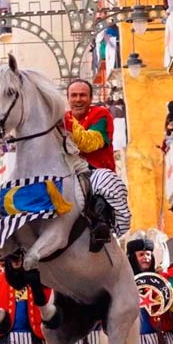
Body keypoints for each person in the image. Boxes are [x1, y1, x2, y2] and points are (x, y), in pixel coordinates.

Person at [63, 79, 130, 252]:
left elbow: (89, 143)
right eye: (74, 95)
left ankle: (101, 227)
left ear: (91, 98)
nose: (78, 99)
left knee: (103, 182)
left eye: (83, 95)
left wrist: (68, 125)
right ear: (68, 98)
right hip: (67, 171)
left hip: (94, 171)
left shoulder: (101, 115)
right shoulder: (62, 118)